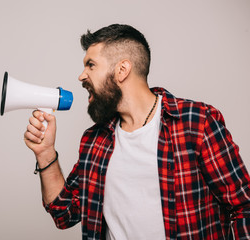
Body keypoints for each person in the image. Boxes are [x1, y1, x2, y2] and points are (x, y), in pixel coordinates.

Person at [23, 24, 250, 240]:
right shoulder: (94, 140)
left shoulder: (196, 123)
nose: (81, 76)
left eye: (91, 65)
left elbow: (244, 207)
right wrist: (45, 152)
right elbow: (64, 214)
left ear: (122, 70)